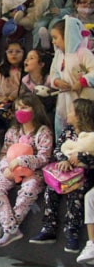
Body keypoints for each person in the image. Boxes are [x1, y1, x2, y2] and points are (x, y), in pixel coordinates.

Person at [0, 93, 54, 247]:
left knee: (29, 188)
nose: (20, 111)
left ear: (35, 109)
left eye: (24, 107)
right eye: (18, 108)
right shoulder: (12, 131)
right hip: (11, 169)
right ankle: (10, 227)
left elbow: (44, 157)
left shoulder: (43, 132)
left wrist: (23, 161)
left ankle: (9, 228)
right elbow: (4, 153)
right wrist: (6, 167)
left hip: (34, 171)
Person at [31, 98, 94, 252]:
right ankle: (49, 228)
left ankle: (72, 233)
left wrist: (81, 157)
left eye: (71, 111)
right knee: (51, 190)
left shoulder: (91, 135)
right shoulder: (67, 131)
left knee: (76, 192)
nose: (67, 113)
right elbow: (58, 149)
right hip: (66, 172)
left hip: (86, 175)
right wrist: (64, 160)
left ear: (80, 115)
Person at [48, 16, 94, 133]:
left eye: (55, 38)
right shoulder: (59, 55)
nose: (53, 42)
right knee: (63, 130)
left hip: (82, 101)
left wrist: (82, 82)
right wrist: (57, 81)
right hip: (64, 101)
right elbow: (54, 72)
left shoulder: (83, 53)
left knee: (82, 128)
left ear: (68, 35)